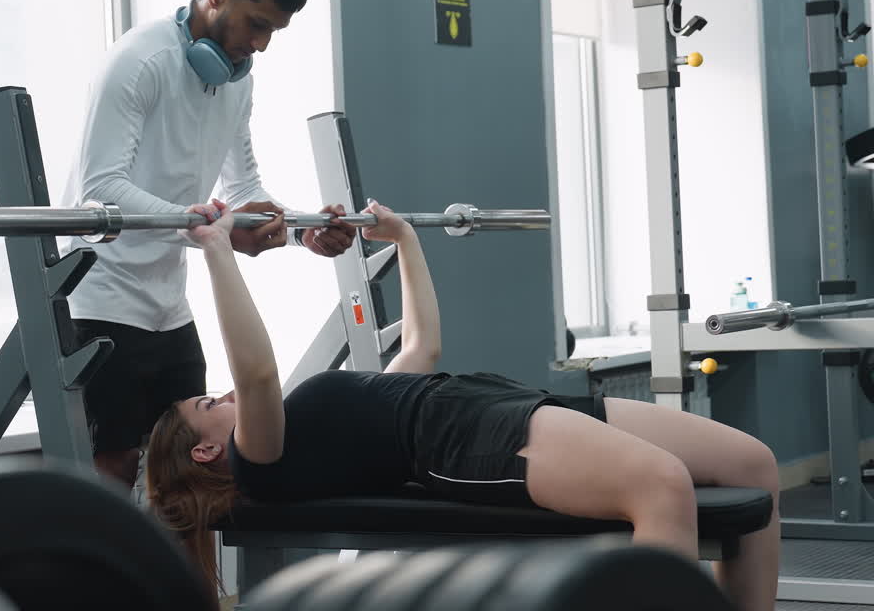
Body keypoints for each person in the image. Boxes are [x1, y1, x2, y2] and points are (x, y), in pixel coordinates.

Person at [145, 199, 781, 611]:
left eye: (216, 392)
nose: (225, 395)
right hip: (459, 438)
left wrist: (402, 240)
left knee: (751, 463)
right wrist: (218, 252)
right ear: (206, 448)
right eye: (209, 403)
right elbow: (255, 372)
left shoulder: (318, 422)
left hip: (487, 399)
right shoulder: (258, 457)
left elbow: (421, 349)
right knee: (660, 486)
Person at [61, 0, 356, 487]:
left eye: (273, 31)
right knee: (117, 467)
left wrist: (301, 235)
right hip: (100, 298)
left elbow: (243, 187)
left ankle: (180, 578)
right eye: (257, 23)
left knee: (201, 470)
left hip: (167, 305)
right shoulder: (140, 61)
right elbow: (100, 191)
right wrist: (204, 225)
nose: (262, 45)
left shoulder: (237, 84)